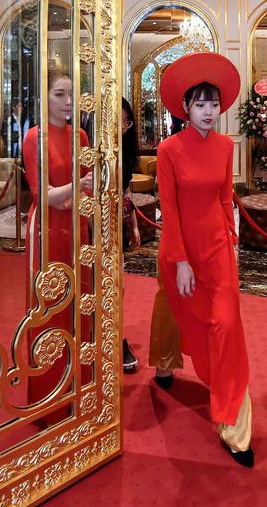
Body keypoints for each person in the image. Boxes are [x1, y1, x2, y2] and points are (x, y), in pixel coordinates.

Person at [154, 51, 254, 467]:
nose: (209, 111)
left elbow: (224, 196)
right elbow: (170, 209)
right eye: (200, 104)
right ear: (185, 108)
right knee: (173, 303)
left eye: (213, 103)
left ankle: (234, 426)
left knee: (226, 325)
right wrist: (179, 260)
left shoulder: (226, 145)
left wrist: (231, 238)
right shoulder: (169, 150)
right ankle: (163, 361)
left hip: (218, 251)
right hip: (181, 250)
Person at [21, 71, 93, 419]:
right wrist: (74, 188)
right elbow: (42, 195)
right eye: (59, 94)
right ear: (44, 98)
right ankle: (48, 395)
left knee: (81, 302)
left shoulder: (80, 134)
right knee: (51, 306)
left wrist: (73, 191)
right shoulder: (34, 137)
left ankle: (79, 385)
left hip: (78, 223)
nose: (67, 102)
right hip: (47, 231)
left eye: (71, 95)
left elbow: (86, 184)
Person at [121, 98, 140, 373]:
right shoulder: (90, 146)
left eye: (126, 122)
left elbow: (125, 195)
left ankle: (117, 337)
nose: (122, 127)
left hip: (115, 225)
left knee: (118, 286)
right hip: (87, 225)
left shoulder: (126, 151)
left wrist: (133, 224)